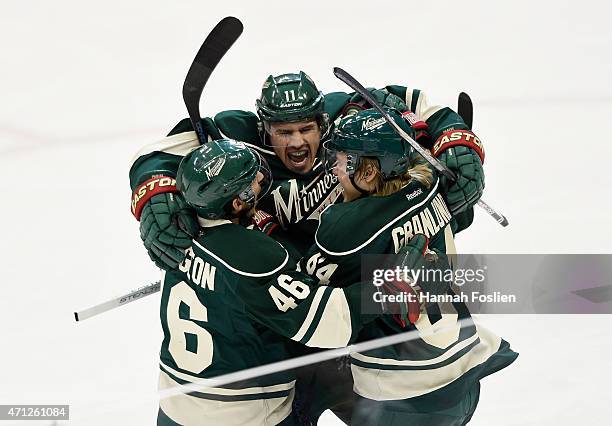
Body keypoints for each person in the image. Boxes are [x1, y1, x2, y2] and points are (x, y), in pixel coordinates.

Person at [157, 138, 426, 425]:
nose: (261, 178)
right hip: (245, 416)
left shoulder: (177, 236)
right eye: (252, 180)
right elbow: (329, 322)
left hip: (174, 411)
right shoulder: (254, 257)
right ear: (236, 202)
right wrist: (387, 289)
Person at [298, 107, 517, 425]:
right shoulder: (430, 185)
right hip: (465, 376)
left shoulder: (346, 227)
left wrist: (266, 230)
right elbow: (427, 133)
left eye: (343, 161)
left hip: (405, 399)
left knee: (300, 363)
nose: (335, 171)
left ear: (369, 172)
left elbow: (300, 293)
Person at [129, 71, 484, 266]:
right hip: (288, 272)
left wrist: (456, 140)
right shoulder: (235, 137)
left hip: (357, 252)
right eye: (283, 132)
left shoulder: (344, 114)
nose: (296, 142)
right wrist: (156, 200)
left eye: (305, 129)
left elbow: (416, 104)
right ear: (265, 127)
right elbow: (156, 155)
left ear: (322, 120)